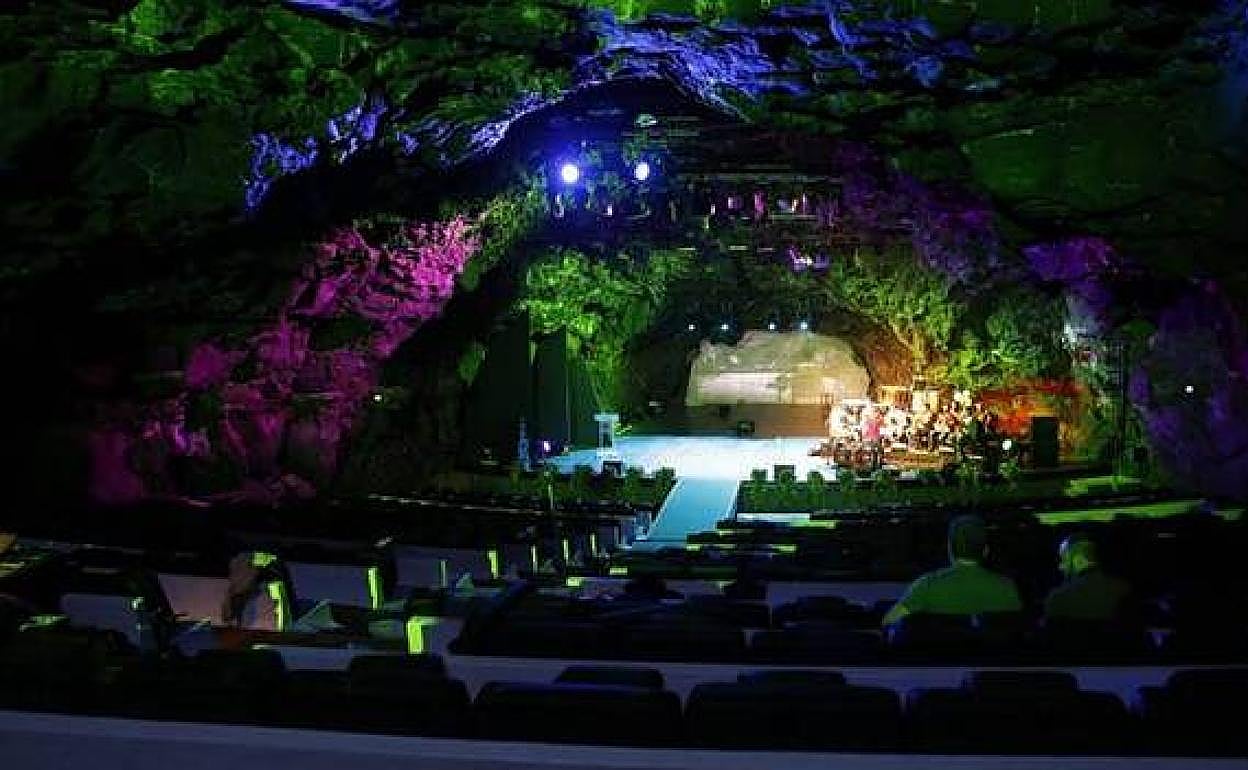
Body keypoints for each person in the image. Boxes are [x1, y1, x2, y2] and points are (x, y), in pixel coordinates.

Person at [882, 515, 1022, 626]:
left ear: (950, 548)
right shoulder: (1007, 587)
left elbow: (889, 621)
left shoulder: (926, 585)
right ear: (985, 550)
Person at [1043, 533, 1133, 623]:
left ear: (1078, 560)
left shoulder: (1058, 599)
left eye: (1064, 560)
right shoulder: (1123, 590)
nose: (1061, 566)